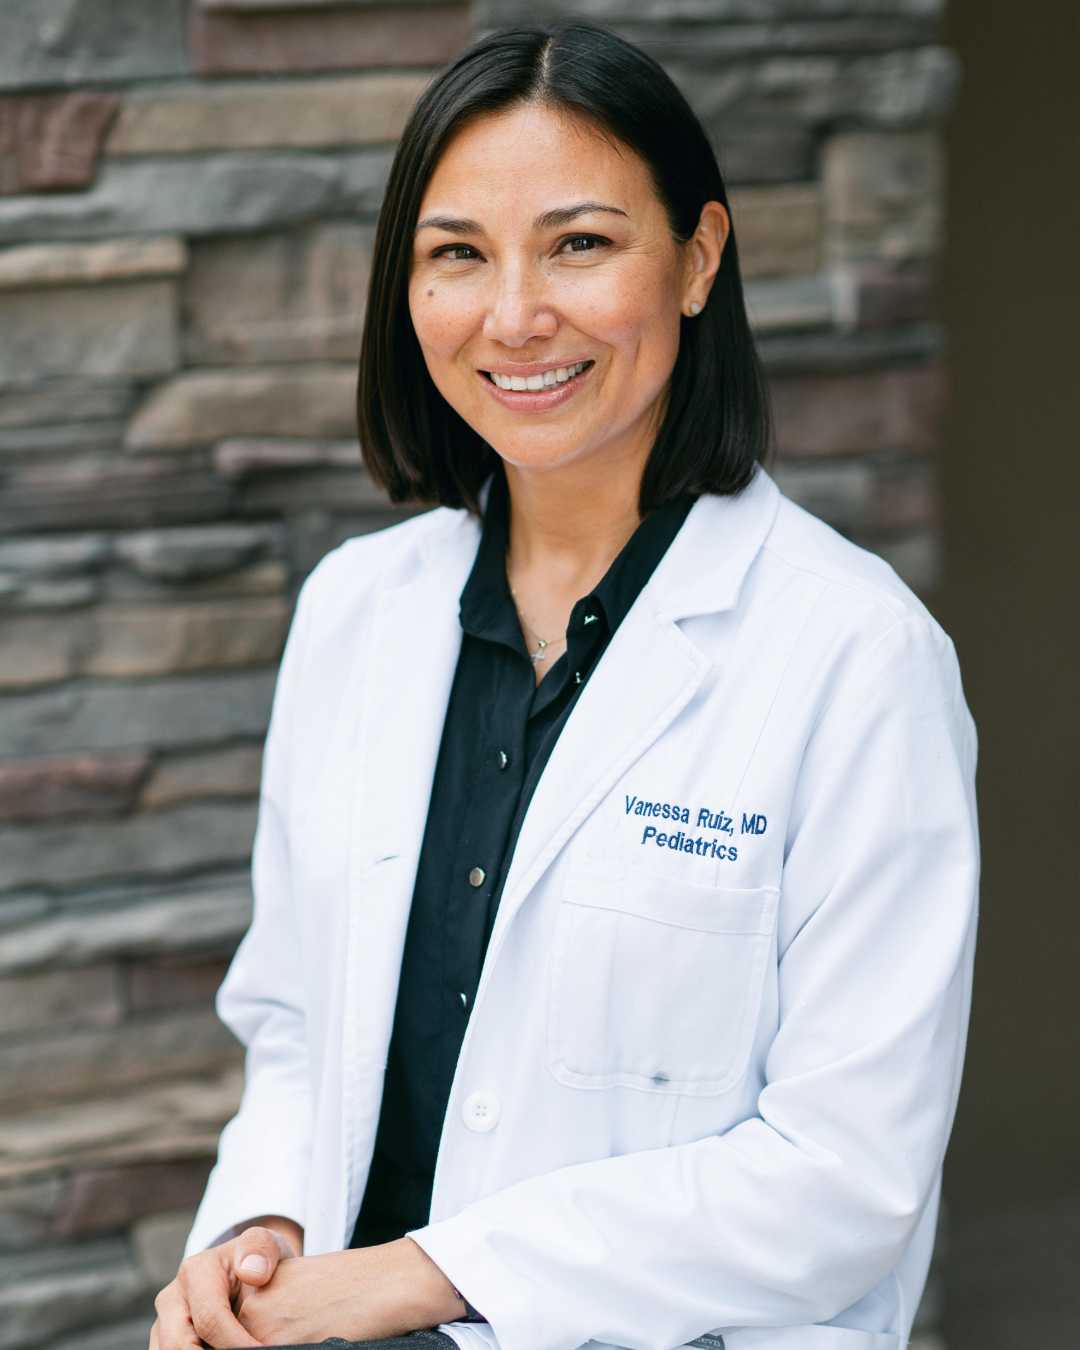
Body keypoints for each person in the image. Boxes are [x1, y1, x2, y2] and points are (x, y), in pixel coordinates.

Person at [152, 24, 978, 1350]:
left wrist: (426, 1269)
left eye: (580, 243)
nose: (516, 314)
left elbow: (845, 1177)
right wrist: (263, 1231)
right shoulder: (358, 612)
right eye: (458, 255)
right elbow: (301, 1026)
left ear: (700, 257)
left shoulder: (854, 657)